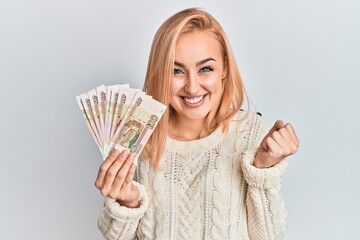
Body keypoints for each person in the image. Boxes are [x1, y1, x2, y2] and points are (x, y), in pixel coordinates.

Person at [95, 7, 299, 240]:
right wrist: (127, 203)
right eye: (176, 70)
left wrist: (263, 171)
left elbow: (269, 235)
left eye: (205, 69)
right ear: (160, 72)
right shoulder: (136, 137)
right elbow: (114, 236)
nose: (192, 87)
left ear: (224, 67)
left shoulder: (251, 134)